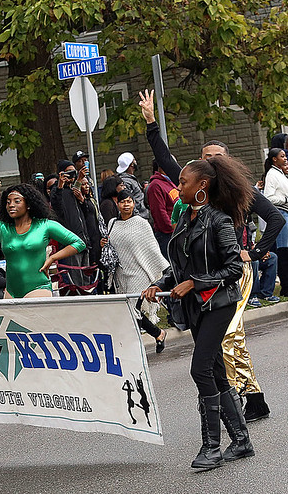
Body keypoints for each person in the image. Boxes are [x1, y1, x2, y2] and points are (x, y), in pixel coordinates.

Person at [140, 89, 283, 423]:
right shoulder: (193, 195)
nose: (211, 162)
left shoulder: (242, 195)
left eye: (217, 157)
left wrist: (256, 252)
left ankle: (252, 398)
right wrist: (150, 123)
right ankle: (231, 401)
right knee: (213, 345)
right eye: (206, 157)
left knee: (230, 334)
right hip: (198, 275)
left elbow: (276, 218)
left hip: (232, 272)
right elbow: (166, 160)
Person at [143, 157, 254, 470]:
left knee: (200, 368)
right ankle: (242, 440)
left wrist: (195, 282)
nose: (178, 188)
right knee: (216, 370)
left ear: (202, 185)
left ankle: (212, 446)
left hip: (219, 302)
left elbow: (234, 269)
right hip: (195, 305)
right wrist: (159, 283)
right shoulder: (185, 218)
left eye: (183, 183)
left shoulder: (220, 221)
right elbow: (179, 264)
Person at [0, 181, 85, 298]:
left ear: (28, 205)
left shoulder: (45, 226)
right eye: (8, 202)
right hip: (11, 292)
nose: (11, 205)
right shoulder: (2, 229)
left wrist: (53, 258)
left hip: (38, 288)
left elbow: (78, 243)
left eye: (17, 201)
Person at [103, 190, 168, 350]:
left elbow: (152, 248)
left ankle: (136, 344)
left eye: (129, 201)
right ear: (117, 204)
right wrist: (103, 244)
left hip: (139, 273)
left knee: (132, 309)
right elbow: (111, 246)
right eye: (123, 202)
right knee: (127, 310)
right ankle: (158, 334)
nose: (126, 205)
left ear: (134, 203)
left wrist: (162, 268)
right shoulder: (112, 223)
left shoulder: (141, 223)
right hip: (120, 273)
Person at [262, 147, 288, 300]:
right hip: (281, 212)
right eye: (282, 156)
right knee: (283, 251)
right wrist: (285, 201)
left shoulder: (280, 174)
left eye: (285, 156)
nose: (285, 159)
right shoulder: (272, 175)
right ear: (274, 159)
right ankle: (287, 286)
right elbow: (268, 197)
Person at [50, 160, 94, 277]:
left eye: (73, 172)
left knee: (86, 278)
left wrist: (82, 199)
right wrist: (60, 185)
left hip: (83, 240)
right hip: (70, 243)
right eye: (68, 172)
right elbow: (56, 205)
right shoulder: (57, 190)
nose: (71, 175)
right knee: (75, 278)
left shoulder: (73, 189)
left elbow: (86, 212)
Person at [147, 159, 179, 258]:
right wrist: (172, 228)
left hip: (177, 232)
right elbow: (159, 213)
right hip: (167, 235)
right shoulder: (155, 185)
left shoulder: (171, 181)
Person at [116, 152, 149, 219]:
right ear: (131, 164)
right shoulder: (126, 181)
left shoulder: (130, 179)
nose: (136, 162)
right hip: (140, 217)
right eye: (134, 160)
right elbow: (128, 199)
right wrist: (138, 217)